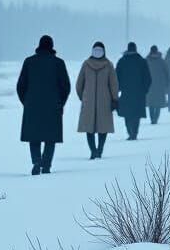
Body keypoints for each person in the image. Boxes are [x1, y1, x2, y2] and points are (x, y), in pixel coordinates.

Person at [16, 34, 71, 175]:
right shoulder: (59, 63)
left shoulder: (29, 62)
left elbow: (21, 86)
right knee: (50, 137)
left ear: (39, 46)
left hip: (32, 106)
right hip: (53, 106)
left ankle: (36, 161)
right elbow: (66, 86)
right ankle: (46, 165)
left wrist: (26, 102)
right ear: (52, 46)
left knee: (34, 136)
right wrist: (60, 102)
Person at [76, 41, 118, 159]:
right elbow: (114, 84)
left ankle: (93, 151)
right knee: (103, 127)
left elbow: (79, 84)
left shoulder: (86, 64)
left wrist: (83, 97)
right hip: (105, 101)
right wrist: (114, 98)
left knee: (88, 128)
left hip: (88, 101)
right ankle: (99, 150)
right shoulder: (108, 65)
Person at [116, 41, 151, 140]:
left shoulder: (122, 61)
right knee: (136, 114)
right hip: (139, 93)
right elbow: (148, 78)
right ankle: (134, 132)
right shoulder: (142, 61)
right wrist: (145, 90)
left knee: (127, 114)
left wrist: (118, 88)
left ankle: (129, 132)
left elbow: (116, 76)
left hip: (126, 92)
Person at [145, 45, 169, 124]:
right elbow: (166, 73)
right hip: (160, 86)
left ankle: (152, 119)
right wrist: (167, 83)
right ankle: (155, 119)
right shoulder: (162, 61)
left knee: (151, 103)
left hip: (149, 85)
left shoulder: (146, 60)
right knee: (158, 104)